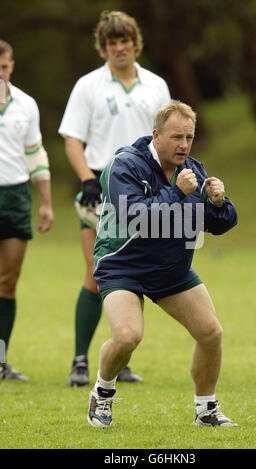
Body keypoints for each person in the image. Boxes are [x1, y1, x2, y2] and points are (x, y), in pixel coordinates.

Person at [87, 100, 238, 428]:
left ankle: (206, 408)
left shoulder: (193, 170)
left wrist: (218, 202)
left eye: (189, 137)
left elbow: (218, 224)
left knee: (211, 332)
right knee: (127, 336)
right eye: (176, 137)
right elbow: (135, 218)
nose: (184, 145)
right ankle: (103, 390)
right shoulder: (125, 164)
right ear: (156, 135)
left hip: (171, 269)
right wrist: (178, 194)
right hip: (123, 265)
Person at [58, 11, 171, 387]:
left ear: (134, 43)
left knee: (133, 274)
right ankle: (79, 361)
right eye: (111, 43)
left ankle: (120, 360)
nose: (119, 48)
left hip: (145, 193)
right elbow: (72, 138)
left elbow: (168, 139)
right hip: (100, 190)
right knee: (95, 273)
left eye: (124, 41)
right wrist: (87, 179)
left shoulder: (155, 86)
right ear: (103, 47)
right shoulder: (88, 86)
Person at [0, 40, 54, 380]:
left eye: (3, 67)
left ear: (12, 66)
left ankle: (1, 359)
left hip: (16, 197)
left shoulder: (26, 105)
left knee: (7, 282)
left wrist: (46, 201)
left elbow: (35, 155)